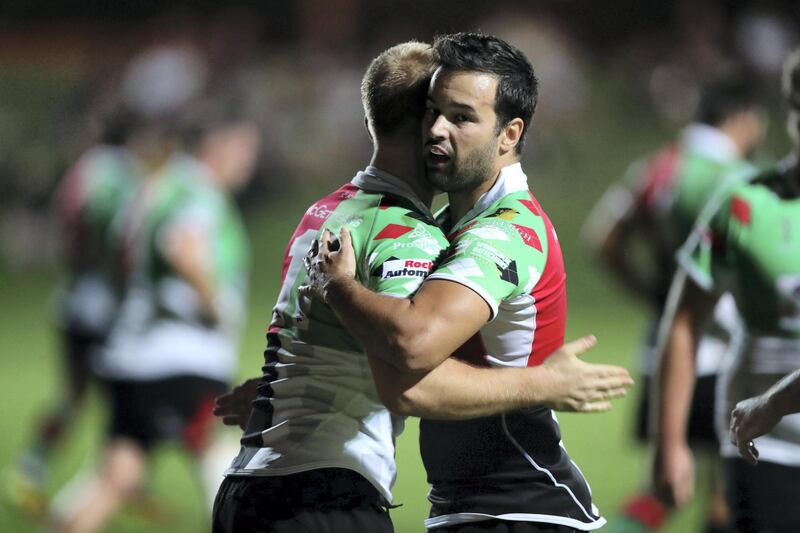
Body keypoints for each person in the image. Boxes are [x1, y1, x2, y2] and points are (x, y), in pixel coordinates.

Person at [213, 40, 632, 533]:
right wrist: (284, 391)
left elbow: (409, 361)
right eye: (433, 112)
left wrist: (338, 291)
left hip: (523, 507)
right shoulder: (436, 225)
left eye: (461, 117)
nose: (436, 129)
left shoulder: (506, 229)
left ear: (508, 133)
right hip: (460, 508)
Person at [50, 104, 260, 533]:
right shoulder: (196, 192)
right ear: (218, 145)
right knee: (231, 471)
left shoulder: (157, 186)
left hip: (135, 357)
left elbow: (116, 251)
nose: (249, 163)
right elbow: (181, 246)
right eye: (244, 150)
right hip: (180, 361)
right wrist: (214, 305)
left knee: (118, 477)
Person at [582, 77, 765, 531]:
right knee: (730, 491)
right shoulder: (739, 180)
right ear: (744, 117)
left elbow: (602, 240)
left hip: (665, 350)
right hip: (724, 355)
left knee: (662, 491)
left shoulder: (658, 168)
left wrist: (655, 296)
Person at [654, 49, 800, 533]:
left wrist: (776, 401)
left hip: (767, 410)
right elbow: (684, 319)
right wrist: (670, 442)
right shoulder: (743, 203)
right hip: (763, 446)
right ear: (791, 108)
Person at [5, 104, 144, 518]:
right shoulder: (127, 175)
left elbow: (69, 229)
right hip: (107, 306)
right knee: (124, 400)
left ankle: (30, 466)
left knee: (74, 394)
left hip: (74, 300)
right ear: (134, 138)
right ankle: (103, 488)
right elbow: (127, 236)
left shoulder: (82, 170)